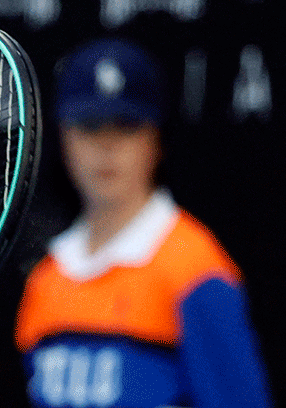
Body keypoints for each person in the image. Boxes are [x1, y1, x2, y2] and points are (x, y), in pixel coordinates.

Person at [15, 37, 273, 408]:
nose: (107, 145)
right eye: (89, 125)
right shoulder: (46, 279)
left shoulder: (195, 271)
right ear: (63, 136)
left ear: (157, 138)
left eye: (126, 125)